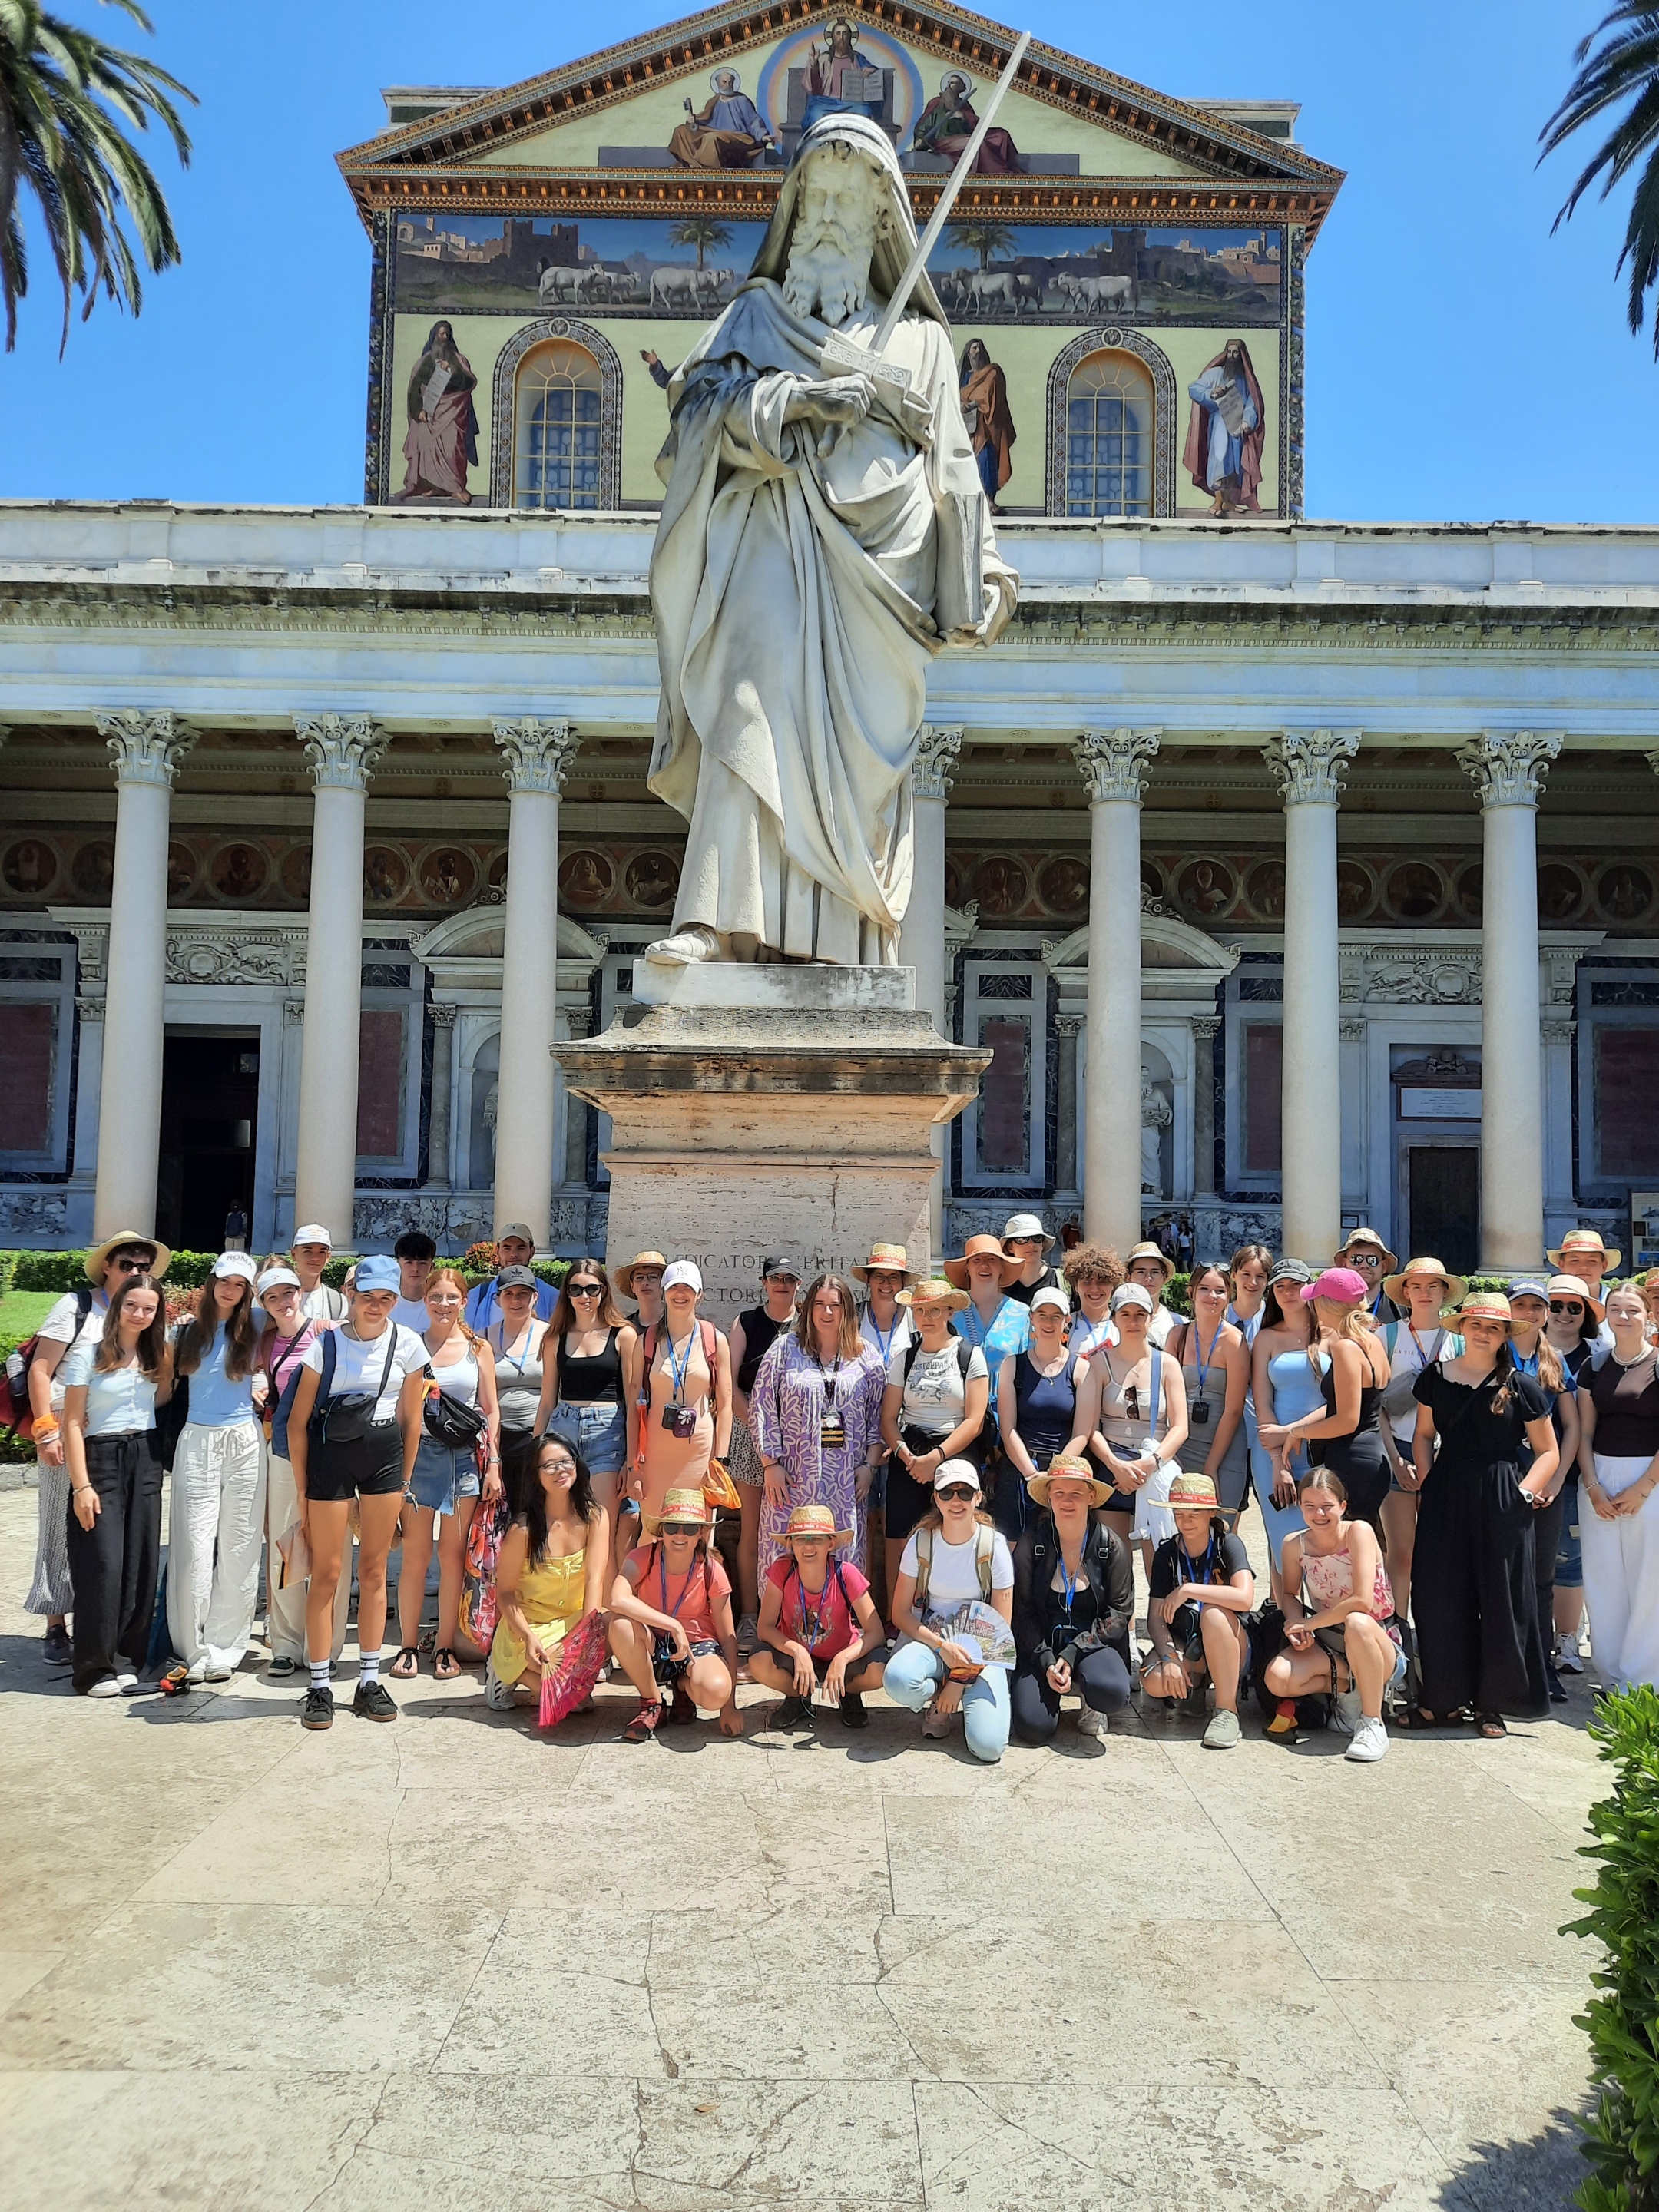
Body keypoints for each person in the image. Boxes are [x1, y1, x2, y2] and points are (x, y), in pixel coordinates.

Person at [641, 115, 1014, 976]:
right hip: (769, 544)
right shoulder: (752, 318)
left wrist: (982, 570)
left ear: (886, 223)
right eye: (824, 199)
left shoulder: (920, 343)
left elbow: (956, 466)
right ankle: (714, 924)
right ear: (795, 209)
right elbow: (692, 424)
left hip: (876, 582)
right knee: (743, 707)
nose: (838, 219)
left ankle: (846, 944)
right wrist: (790, 406)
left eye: (858, 203)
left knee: (856, 768)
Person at [1402, 1292, 1558, 1737]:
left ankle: (1493, 1704)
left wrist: (1522, 1495)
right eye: (1476, 1324)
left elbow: (1548, 1451)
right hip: (1446, 1492)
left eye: (1494, 1327)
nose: (1484, 1333)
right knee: (1440, 1598)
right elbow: (1423, 1436)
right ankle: (1443, 1701)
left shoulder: (1522, 1385)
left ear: (1505, 1335)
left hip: (1502, 1494)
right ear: (1463, 1327)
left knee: (1500, 1600)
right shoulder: (1434, 1377)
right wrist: (1430, 1483)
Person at [285, 1256, 429, 1730]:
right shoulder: (324, 1344)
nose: (377, 1306)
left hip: (383, 1457)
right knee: (326, 1573)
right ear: (352, 1295)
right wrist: (303, 1487)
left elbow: (412, 1419)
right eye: (368, 1297)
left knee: (373, 1570)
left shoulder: (407, 1343)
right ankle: (320, 1685)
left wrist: (404, 1480)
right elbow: (296, 1422)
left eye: (386, 1298)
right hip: (332, 1456)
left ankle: (369, 1678)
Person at [24, 1227, 164, 1671]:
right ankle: (55, 1624)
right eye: (127, 1264)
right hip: (68, 1430)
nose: (134, 1272)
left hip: (119, 1435)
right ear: (107, 1266)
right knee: (59, 1529)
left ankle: (109, 1628)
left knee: (109, 1540)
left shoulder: (144, 1314)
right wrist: (47, 1430)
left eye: (143, 1267)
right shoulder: (77, 1306)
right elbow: (42, 1369)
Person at [59, 1273, 171, 1697]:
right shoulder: (87, 1355)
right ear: (117, 1307)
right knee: (101, 1564)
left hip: (144, 1456)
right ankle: (94, 1668)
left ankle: (129, 1661)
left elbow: (161, 1401)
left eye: (149, 1308)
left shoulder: (159, 1354)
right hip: (99, 1459)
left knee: (140, 1562)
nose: (140, 1314)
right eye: (132, 1305)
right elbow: (72, 1421)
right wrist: (81, 1486)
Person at [391, 1267, 501, 1682]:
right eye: (436, 1296)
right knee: (416, 1556)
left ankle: (444, 1645)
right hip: (419, 1457)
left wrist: (494, 1463)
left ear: (464, 1301)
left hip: (465, 1458)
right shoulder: (410, 1346)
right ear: (425, 1300)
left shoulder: (479, 1348)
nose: (443, 1304)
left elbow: (490, 1410)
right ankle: (406, 1644)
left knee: (452, 1557)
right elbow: (405, 1412)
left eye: (451, 1297)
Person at [167, 1252, 267, 1684]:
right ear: (212, 1283)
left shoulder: (256, 1325)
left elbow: (299, 1318)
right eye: (225, 1281)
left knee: (240, 1543)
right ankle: (193, 1646)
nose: (231, 1290)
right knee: (192, 1543)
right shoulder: (184, 1331)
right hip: (197, 1439)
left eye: (240, 1284)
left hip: (244, 1438)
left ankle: (227, 1646)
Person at [1264, 1467, 1406, 1762]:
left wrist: (1309, 1623)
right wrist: (1295, 1626)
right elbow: (1289, 1595)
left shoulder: (1359, 1532)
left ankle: (1372, 1721)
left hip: (1376, 1637)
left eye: (1327, 1506)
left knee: (1356, 1621)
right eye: (1310, 1506)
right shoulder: (1294, 1544)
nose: (1319, 1514)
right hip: (1331, 1642)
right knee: (1277, 1678)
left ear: (1342, 1506)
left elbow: (1362, 1601)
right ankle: (1351, 1690)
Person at [750, 1272, 886, 1572]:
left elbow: (878, 1417)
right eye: (820, 1304)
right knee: (787, 1556)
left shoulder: (866, 1357)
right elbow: (762, 1407)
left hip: (845, 1483)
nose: (827, 1312)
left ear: (847, 1310)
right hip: (791, 1481)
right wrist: (770, 1464)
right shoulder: (784, 1350)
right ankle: (783, 1618)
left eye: (835, 1305)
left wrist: (869, 1466)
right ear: (808, 1307)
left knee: (842, 1560)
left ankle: (839, 1617)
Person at [885, 1460, 1015, 1762]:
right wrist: (942, 1647)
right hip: (934, 1636)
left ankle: (962, 1695)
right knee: (898, 1680)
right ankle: (938, 1695)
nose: (956, 1501)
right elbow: (900, 1613)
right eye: (947, 1493)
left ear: (979, 1498)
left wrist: (959, 1683)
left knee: (988, 1748)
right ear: (936, 1498)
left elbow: (999, 1630)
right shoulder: (921, 1541)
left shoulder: (993, 1546)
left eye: (965, 1493)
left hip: (982, 1648)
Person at [879, 1277, 991, 1623]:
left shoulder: (969, 1355)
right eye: (921, 1310)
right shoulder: (905, 1358)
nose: (927, 1317)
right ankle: (898, 1620)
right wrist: (905, 1455)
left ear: (948, 1312)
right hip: (910, 1452)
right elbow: (887, 1417)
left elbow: (974, 1420)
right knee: (898, 1536)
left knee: (955, 1530)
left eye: (935, 1310)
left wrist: (937, 1459)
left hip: (954, 1451)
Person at [255, 1266, 346, 1678]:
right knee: (284, 1541)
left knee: (333, 1549)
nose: (284, 1301)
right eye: (273, 1297)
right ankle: (287, 1643)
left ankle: (325, 1644)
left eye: (289, 1292)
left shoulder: (329, 1330)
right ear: (264, 1305)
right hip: (284, 1450)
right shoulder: (266, 1340)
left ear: (301, 1294)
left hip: (330, 1449)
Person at [1010, 1456, 1134, 1744]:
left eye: (1076, 1494)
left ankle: (1091, 1698)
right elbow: (1021, 1612)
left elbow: (1119, 1614)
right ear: (1049, 1498)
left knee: (1113, 1691)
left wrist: (1074, 1652)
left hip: (1093, 1647)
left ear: (1091, 1498)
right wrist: (1047, 1660)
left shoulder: (1110, 1546)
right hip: (1042, 1648)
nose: (1067, 1501)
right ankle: (1050, 1685)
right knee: (1033, 1729)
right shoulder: (1032, 1544)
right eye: (1059, 1493)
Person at [1258, 1268, 1392, 1535]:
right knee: (1364, 1550)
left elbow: (1346, 1420)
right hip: (1374, 1454)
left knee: (1346, 1555)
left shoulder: (1345, 1347)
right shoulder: (1372, 1341)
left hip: (1349, 1459)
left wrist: (1297, 1431)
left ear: (1327, 1303)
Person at [485, 1435, 611, 1713]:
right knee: (573, 1700)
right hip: (531, 1629)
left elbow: (594, 1579)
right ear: (536, 1475)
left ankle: (554, 1677)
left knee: (617, 1626)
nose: (561, 1471)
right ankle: (505, 1671)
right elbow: (504, 1593)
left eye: (566, 1462)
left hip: (574, 1620)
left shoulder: (596, 1517)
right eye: (549, 1466)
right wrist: (529, 1637)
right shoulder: (524, 1530)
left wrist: (586, 1637)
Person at [608, 1488, 743, 1743]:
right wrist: (672, 1626)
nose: (680, 1535)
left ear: (702, 1533)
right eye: (672, 1526)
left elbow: (728, 1637)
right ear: (661, 1530)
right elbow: (617, 1598)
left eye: (690, 1529)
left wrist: (729, 1706)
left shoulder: (712, 1568)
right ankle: (653, 1704)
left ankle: (683, 1686)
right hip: (654, 1643)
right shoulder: (643, 1557)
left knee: (715, 1692)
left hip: (696, 1647)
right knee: (620, 1625)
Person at [1577, 1283, 1659, 1691]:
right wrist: (1592, 1486)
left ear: (1649, 1317)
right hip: (1599, 1479)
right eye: (1616, 1309)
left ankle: (1644, 1683)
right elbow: (1585, 1431)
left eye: (1633, 1310)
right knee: (1604, 1580)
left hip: (1651, 1478)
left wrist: (1644, 1487)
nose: (1624, 1317)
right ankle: (1611, 1678)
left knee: (1649, 1582)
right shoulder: (1594, 1365)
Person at [1375, 1257, 1465, 1632]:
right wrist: (1396, 1460)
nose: (1424, 1293)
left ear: (1445, 1292)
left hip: (1445, 1456)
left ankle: (1436, 1630)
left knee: (1442, 1552)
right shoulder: (1386, 1337)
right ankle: (1398, 1630)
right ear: (1405, 1292)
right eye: (1417, 1286)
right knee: (1402, 1552)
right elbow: (1374, 1406)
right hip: (1395, 1450)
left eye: (1433, 1286)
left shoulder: (1460, 1341)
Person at [1069, 1283, 1189, 1557]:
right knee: (1115, 1557)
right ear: (1114, 1319)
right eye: (1125, 1314)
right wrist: (1115, 1465)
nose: (1133, 1321)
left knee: (1159, 1557)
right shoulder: (1098, 1364)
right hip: (1113, 1468)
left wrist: (1152, 1463)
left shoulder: (1168, 1364)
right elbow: (1089, 1426)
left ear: (1150, 1318)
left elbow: (1180, 1426)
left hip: (1156, 1465)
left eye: (1140, 1314)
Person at [1141, 1472, 1257, 1747]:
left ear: (1211, 1514)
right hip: (1186, 1643)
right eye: (1179, 1514)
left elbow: (1245, 1598)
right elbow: (1155, 1618)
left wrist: (1188, 1590)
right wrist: (1169, 1657)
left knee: (1213, 1614)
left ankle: (1227, 1711)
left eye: (1194, 1513)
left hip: (1233, 1643)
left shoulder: (1228, 1544)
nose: (1186, 1521)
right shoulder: (1167, 1554)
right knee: (1154, 1679)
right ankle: (1195, 1681)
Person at [748, 1502, 887, 1729]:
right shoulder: (782, 1571)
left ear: (831, 1543)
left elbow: (876, 1633)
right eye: (801, 1538)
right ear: (790, 1543)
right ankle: (798, 1698)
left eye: (817, 1538)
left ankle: (849, 1693)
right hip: (796, 1659)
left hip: (842, 1654)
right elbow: (765, 1628)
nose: (809, 1546)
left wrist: (843, 1659)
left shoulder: (846, 1573)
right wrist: (797, 1650)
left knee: (880, 1670)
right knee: (758, 1660)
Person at [1507, 1276, 1579, 1703]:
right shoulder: (1497, 1352)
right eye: (1523, 1305)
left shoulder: (1554, 1360)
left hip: (1546, 1476)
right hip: (1503, 1472)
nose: (1531, 1314)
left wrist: (1554, 1478)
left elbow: (1570, 1426)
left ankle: (1541, 1663)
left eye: (1539, 1307)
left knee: (1540, 1576)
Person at [623, 1262, 733, 1542]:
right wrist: (634, 1465)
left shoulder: (714, 1340)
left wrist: (719, 1460)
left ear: (700, 1295)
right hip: (656, 1456)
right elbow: (634, 1408)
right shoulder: (645, 1342)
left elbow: (726, 1403)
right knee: (654, 1536)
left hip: (700, 1457)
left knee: (699, 1537)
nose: (680, 1294)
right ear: (664, 1293)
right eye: (674, 1287)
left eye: (688, 1288)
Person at [726, 1257, 803, 1644]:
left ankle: (794, 1613)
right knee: (753, 1528)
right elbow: (730, 1382)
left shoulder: (807, 1323)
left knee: (796, 1528)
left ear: (798, 1284)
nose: (782, 1285)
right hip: (750, 1437)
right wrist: (761, 1430)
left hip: (798, 1441)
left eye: (789, 1279)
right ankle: (751, 1616)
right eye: (776, 1279)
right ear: (764, 1283)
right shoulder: (747, 1322)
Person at [536, 1258, 637, 1535]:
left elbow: (632, 1401)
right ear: (566, 1294)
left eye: (592, 1289)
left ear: (604, 1291)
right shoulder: (554, 1339)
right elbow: (547, 1402)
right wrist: (535, 1450)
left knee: (599, 1524)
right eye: (576, 1290)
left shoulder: (623, 1335)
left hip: (608, 1432)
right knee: (563, 1526)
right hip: (563, 1431)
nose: (584, 1297)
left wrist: (632, 1461)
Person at [1249, 1260, 1321, 1602]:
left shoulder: (1331, 1335)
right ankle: (1285, 1619)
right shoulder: (1265, 1338)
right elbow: (1263, 1402)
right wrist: (1278, 1460)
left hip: (1322, 1447)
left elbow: (1341, 1402)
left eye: (1295, 1284)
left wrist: (1293, 1430)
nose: (1288, 1292)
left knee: (1322, 1539)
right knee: (1283, 1542)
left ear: (1310, 1287)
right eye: (1280, 1286)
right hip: (1274, 1454)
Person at [1545, 1273, 1602, 1676]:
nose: (1564, 1314)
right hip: (1516, 1471)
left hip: (1574, 1475)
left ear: (1586, 1314)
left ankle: (1566, 1640)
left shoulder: (1596, 1359)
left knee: (1568, 1559)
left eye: (1574, 1307)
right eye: (1556, 1305)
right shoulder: (1522, 1349)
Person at [995, 1286, 1080, 1541]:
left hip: (1065, 1474)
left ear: (1066, 1321)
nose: (1049, 1322)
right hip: (1020, 1471)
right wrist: (1032, 1476)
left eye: (1056, 1316)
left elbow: (1082, 1432)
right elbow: (1007, 1428)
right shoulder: (1012, 1364)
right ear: (1031, 1318)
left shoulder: (1081, 1369)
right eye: (1042, 1314)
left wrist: (1057, 1476)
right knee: (1013, 1551)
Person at [1168, 1263, 1251, 1512]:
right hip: (1184, 1446)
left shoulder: (1235, 1341)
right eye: (1204, 1289)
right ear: (1191, 1292)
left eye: (1220, 1291)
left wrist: (1211, 1466)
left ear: (1229, 1296)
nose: (1212, 1297)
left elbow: (1234, 1409)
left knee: (1220, 1526)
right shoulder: (1177, 1336)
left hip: (1225, 1451)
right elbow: (1167, 1399)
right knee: (1183, 1525)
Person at [396, 320, 478, 504]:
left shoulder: (459, 360)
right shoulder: (424, 362)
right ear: (434, 336)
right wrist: (419, 411)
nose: (444, 337)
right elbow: (414, 388)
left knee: (452, 449)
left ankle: (455, 487)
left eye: (447, 333)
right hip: (429, 414)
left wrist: (452, 370)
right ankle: (432, 486)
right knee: (426, 448)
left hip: (453, 413)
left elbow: (469, 383)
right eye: (441, 333)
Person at [1182, 339, 1266, 516]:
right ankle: (1218, 501)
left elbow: (1252, 403)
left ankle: (1228, 502)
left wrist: (1248, 421)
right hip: (1220, 424)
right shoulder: (1216, 374)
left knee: (1234, 465)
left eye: (1236, 353)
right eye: (1229, 352)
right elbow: (1194, 388)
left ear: (1241, 356)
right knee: (1219, 462)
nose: (1232, 356)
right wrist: (1210, 393)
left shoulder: (1245, 380)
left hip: (1237, 428)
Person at [484, 1266, 548, 1485]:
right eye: (509, 1294)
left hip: (538, 1434)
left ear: (535, 1298)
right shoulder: (483, 1338)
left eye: (523, 1294)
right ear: (498, 1299)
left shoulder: (550, 1336)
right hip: (498, 1436)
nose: (516, 1301)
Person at [944, 1233, 1031, 1370]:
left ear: (1002, 1268)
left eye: (991, 1260)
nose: (984, 1265)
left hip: (1007, 1391)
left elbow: (1029, 1364)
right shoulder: (951, 1311)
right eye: (977, 1260)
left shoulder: (1021, 1313)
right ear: (967, 1268)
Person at [912, 68, 1022, 175]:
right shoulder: (936, 104)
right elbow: (922, 126)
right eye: (950, 83)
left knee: (1002, 135)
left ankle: (1010, 167)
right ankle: (997, 171)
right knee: (975, 144)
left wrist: (963, 117)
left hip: (965, 137)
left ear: (961, 88)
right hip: (944, 140)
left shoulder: (964, 105)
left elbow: (976, 126)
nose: (951, 86)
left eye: (955, 84)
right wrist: (920, 140)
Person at [668, 65, 779, 169]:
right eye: (724, 82)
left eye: (730, 82)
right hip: (713, 132)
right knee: (681, 130)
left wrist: (763, 136)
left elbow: (754, 122)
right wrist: (694, 120)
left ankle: (706, 170)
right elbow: (705, 120)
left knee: (711, 138)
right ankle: (691, 164)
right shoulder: (713, 102)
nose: (727, 85)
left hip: (738, 137)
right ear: (718, 84)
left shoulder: (742, 100)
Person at [958, 339, 1016, 515]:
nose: (978, 351)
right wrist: (961, 404)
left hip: (986, 426)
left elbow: (990, 394)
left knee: (986, 460)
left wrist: (973, 403)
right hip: (966, 427)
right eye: (974, 348)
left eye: (980, 348)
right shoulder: (964, 376)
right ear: (968, 354)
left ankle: (990, 500)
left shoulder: (992, 372)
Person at [464, 1227, 559, 1329]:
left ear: (532, 1251)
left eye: (520, 1248)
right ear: (497, 1251)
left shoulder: (552, 1296)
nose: (513, 1254)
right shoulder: (478, 1295)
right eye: (507, 1248)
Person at [1548, 1230, 1620, 1350]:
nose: (1583, 1267)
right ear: (1562, 1265)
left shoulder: (1619, 1304)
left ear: (1604, 1266)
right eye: (1574, 1261)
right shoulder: (1545, 1301)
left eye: (1592, 1261)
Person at [1063, 1242, 1124, 1359]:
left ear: (1113, 1285)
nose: (1094, 1289)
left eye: (1102, 1282)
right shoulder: (1065, 1326)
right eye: (1086, 1283)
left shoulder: (1124, 1324)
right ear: (1076, 1286)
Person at [1335, 1228, 1401, 1323]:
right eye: (1356, 1259)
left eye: (1372, 1260)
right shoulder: (1331, 1305)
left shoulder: (1400, 1307)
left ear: (1384, 1266)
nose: (1364, 1265)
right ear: (1344, 1264)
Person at [1122, 1242, 1180, 1348]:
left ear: (1164, 1277)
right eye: (1141, 1272)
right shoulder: (1114, 1324)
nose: (1148, 1278)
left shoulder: (1179, 1325)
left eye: (1155, 1272)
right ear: (1128, 1277)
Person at [1000, 1214, 1061, 1308]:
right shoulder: (1000, 1285)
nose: (1031, 1244)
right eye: (1022, 1239)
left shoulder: (1062, 1282)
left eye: (1037, 1238)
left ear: (1043, 1245)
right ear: (1010, 1247)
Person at [290, 1224, 347, 1323]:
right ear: (294, 1254)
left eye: (321, 1252)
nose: (315, 1258)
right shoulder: (276, 1296)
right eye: (307, 1251)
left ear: (328, 1257)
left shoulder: (338, 1302)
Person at [1224, 1244, 1273, 1347]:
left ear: (1268, 1280)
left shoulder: (1273, 1318)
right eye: (1246, 1274)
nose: (1253, 1282)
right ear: (1233, 1275)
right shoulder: (1220, 1316)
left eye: (1260, 1276)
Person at [614, 1251, 667, 1339]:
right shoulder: (623, 1330)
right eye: (639, 1278)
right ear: (632, 1286)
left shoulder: (676, 1323)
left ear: (664, 1283)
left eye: (653, 1277)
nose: (645, 1283)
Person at [390, 1231, 436, 1331]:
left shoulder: (438, 1307)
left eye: (422, 1263)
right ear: (397, 1266)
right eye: (409, 1262)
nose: (415, 1269)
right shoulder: (386, 1305)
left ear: (431, 1267)